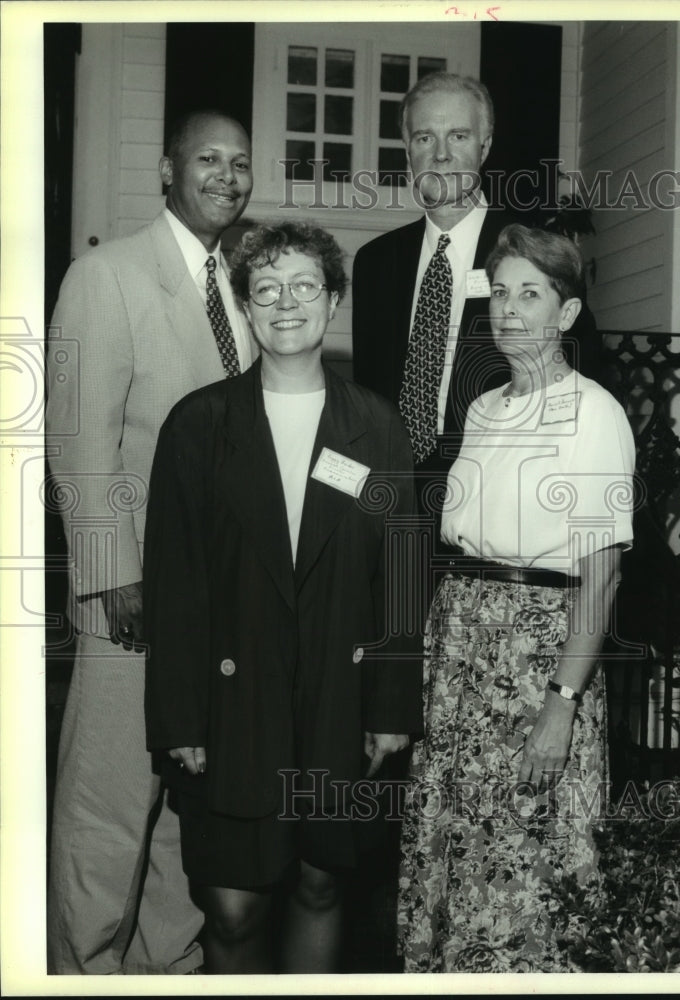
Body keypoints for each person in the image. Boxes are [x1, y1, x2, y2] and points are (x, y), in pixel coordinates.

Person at [143, 221, 422, 974]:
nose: (286, 302)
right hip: (231, 706)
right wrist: (178, 719)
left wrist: (393, 707)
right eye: (266, 289)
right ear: (246, 309)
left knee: (322, 884)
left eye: (305, 285)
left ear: (333, 301)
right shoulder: (198, 426)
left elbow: (401, 576)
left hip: (342, 697)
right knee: (232, 909)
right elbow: (173, 587)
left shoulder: (377, 428)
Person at [45, 109, 256, 974]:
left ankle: (166, 970)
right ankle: (80, 968)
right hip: (130, 603)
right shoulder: (107, 274)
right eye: (208, 158)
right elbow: (78, 435)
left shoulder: (241, 288)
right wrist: (109, 574)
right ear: (167, 171)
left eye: (241, 163)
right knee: (108, 808)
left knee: (181, 809)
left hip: (211, 606)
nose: (227, 176)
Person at [396, 224, 636, 972]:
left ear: (565, 315)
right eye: (500, 292)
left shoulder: (593, 412)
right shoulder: (484, 410)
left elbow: (603, 577)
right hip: (463, 652)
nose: (509, 309)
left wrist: (561, 706)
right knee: (453, 856)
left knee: (525, 876)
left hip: (537, 667)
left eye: (530, 293)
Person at [351, 72, 602, 538]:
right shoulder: (375, 263)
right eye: (425, 136)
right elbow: (367, 394)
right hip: (392, 509)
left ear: (484, 147)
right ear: (407, 148)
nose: (441, 154)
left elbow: (589, 377)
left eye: (459, 136)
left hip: (499, 511)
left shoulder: (535, 251)